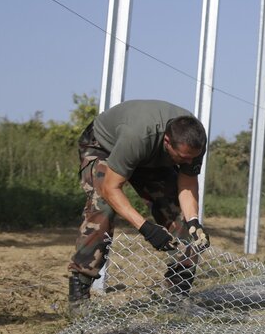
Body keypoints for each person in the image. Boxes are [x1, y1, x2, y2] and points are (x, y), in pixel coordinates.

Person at [68, 100, 211, 311]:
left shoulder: (193, 141)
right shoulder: (137, 137)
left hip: (151, 157)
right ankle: (78, 299)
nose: (188, 162)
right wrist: (146, 228)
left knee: (183, 220)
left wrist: (193, 221)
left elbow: (188, 181)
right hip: (104, 147)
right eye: (183, 158)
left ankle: (177, 297)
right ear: (167, 141)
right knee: (102, 209)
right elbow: (111, 189)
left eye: (192, 158)